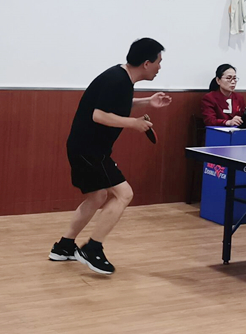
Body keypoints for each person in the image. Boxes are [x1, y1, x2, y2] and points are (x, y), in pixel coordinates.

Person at [49, 38, 172, 273]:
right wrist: (133, 123)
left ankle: (64, 247)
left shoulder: (122, 79)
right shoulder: (116, 80)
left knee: (97, 196)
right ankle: (92, 248)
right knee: (125, 194)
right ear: (147, 63)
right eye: (158, 62)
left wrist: (148, 102)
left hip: (87, 147)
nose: (159, 67)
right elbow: (99, 115)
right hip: (89, 150)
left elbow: (117, 105)